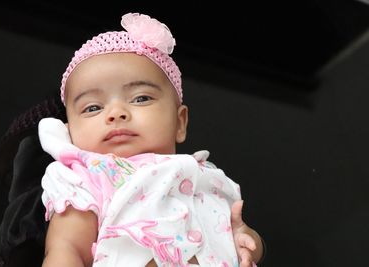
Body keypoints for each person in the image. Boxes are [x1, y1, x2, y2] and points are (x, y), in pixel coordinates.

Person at [39, 12, 264, 267]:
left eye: (141, 98)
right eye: (92, 108)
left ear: (179, 122)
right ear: (70, 133)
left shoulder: (205, 176)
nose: (116, 113)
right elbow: (67, 249)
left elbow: (229, 234)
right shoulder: (88, 176)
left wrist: (246, 239)